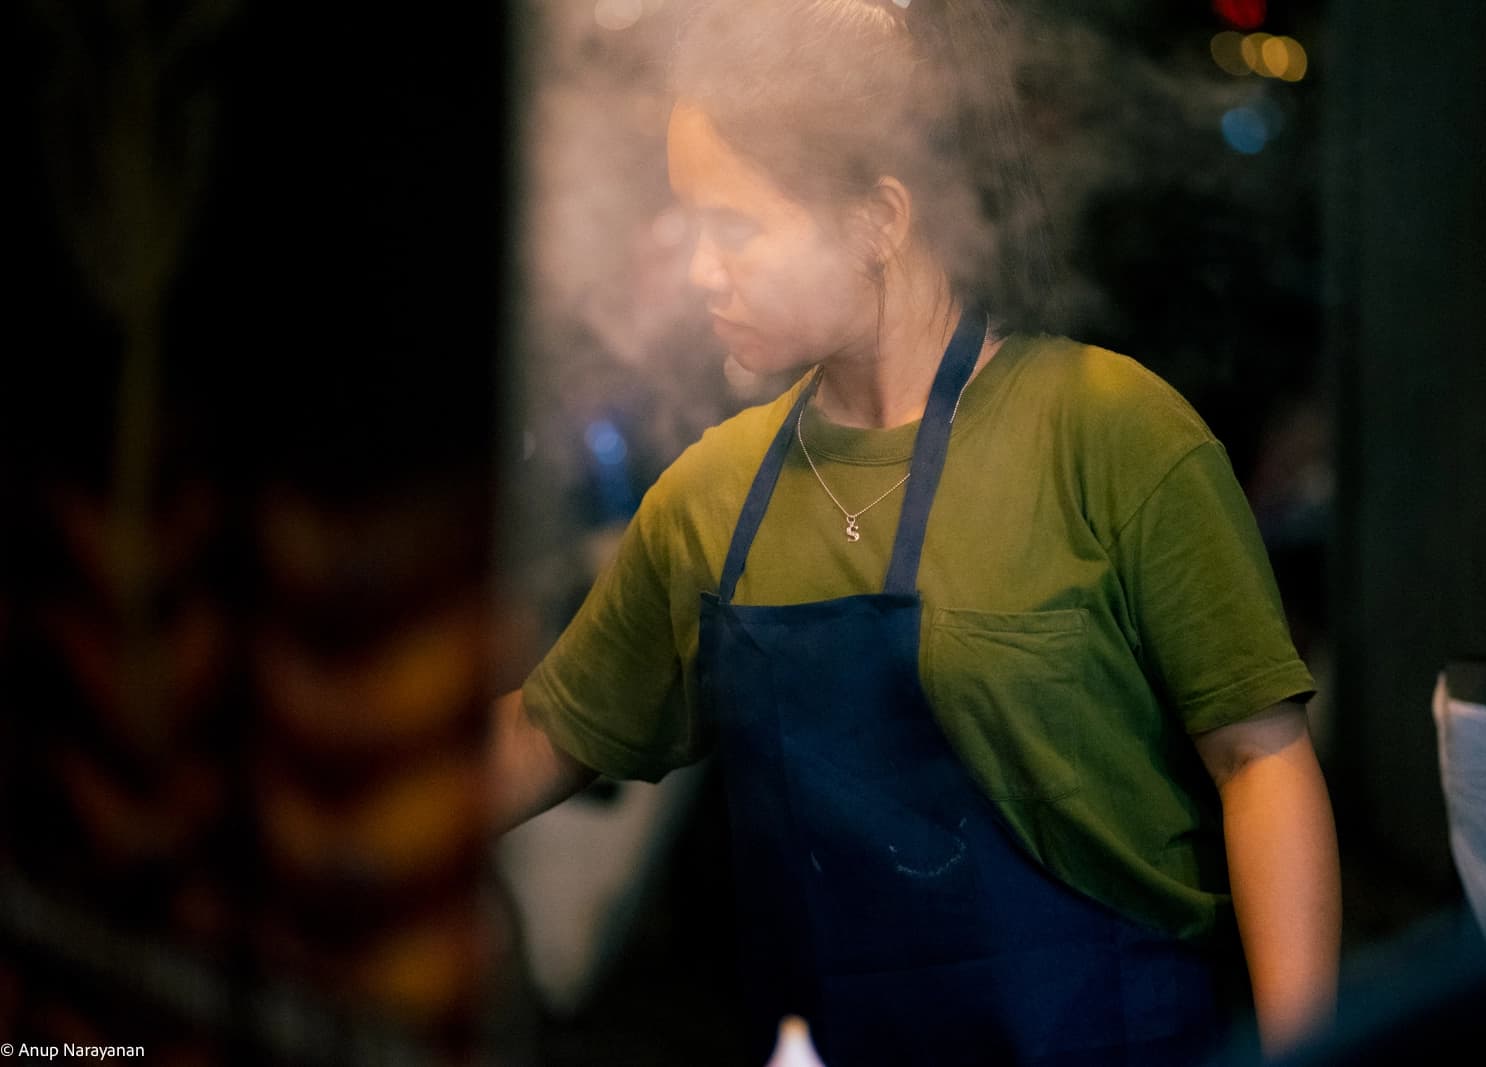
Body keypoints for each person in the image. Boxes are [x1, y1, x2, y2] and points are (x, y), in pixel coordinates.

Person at [492, 2, 1341, 1064]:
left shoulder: (1107, 432)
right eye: (687, 226)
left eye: (735, 227)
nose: (702, 271)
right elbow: (542, 736)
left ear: (878, 218)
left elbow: (1259, 760)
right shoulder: (711, 496)